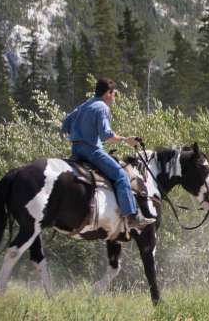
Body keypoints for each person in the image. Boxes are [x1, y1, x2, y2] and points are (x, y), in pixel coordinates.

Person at [60, 77, 154, 234]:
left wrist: (78, 134)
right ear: (108, 93)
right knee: (121, 175)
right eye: (114, 94)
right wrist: (126, 140)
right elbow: (106, 136)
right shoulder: (102, 107)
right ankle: (132, 216)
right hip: (92, 151)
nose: (114, 97)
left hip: (76, 150)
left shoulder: (85, 105)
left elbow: (65, 125)